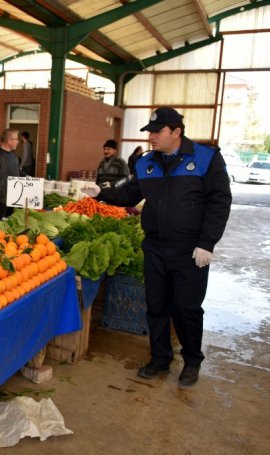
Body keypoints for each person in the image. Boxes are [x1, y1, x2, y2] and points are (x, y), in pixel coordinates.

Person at [82, 107, 232, 387]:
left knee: (186, 308)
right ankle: (160, 358)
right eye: (149, 131)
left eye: (157, 131)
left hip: (190, 250)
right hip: (155, 248)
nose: (151, 137)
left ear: (176, 131)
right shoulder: (146, 163)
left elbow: (220, 202)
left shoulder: (206, 158)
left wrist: (207, 243)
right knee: (157, 306)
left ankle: (191, 361)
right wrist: (102, 193)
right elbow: (130, 193)